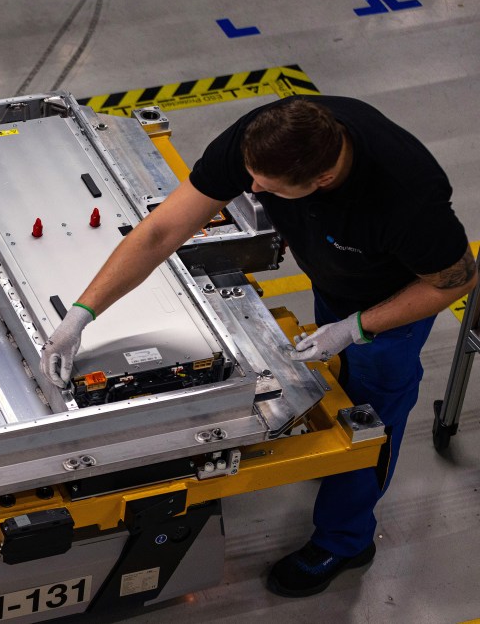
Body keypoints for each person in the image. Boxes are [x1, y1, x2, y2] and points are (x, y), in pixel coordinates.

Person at [40, 96, 475, 598]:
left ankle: (346, 539)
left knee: (369, 419)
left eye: (265, 188)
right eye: (250, 175)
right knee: (341, 377)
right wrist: (81, 314)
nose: (249, 189)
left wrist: (355, 327)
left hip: (390, 306)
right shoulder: (268, 137)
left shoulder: (405, 197)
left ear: (321, 182)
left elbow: (454, 281)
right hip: (335, 279)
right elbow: (162, 231)